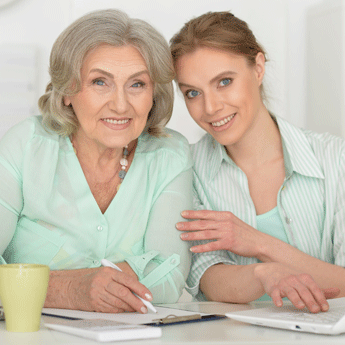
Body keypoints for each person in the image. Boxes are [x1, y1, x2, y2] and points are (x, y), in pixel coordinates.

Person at [0, 9, 193, 313]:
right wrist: (69, 290)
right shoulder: (24, 145)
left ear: (154, 93)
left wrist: (28, 284)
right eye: (100, 82)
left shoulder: (170, 155)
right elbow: (152, 277)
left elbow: (169, 278)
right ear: (67, 91)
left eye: (137, 84)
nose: (119, 104)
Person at [170, 11, 345, 313]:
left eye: (224, 81)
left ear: (258, 68)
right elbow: (206, 278)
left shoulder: (335, 159)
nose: (210, 107)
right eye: (193, 93)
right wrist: (264, 274)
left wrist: (258, 243)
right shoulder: (187, 168)